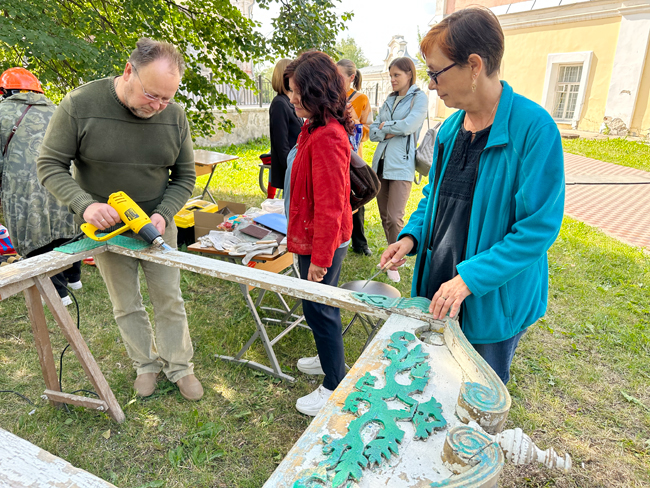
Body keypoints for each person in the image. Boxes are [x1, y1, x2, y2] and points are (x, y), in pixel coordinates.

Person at [380, 7, 565, 385]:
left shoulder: (535, 130)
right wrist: (411, 236)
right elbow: (434, 195)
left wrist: (470, 279)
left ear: (474, 65)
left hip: (490, 299)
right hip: (440, 285)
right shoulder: (449, 129)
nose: (430, 84)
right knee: (432, 388)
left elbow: (537, 229)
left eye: (435, 72)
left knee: (476, 402)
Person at [37, 38, 202, 401]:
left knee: (168, 297)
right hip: (108, 229)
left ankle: (180, 366)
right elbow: (49, 164)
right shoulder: (80, 105)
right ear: (129, 71)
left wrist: (164, 213)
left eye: (167, 98)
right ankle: (146, 365)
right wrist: (85, 204)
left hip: (156, 225)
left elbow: (186, 176)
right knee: (125, 302)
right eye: (152, 95)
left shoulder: (174, 117)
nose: (158, 107)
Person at [282, 51, 353, 416]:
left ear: (316, 90)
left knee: (321, 308)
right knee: (315, 308)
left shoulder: (328, 136)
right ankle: (329, 361)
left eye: (297, 91)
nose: (291, 97)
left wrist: (320, 261)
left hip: (322, 241)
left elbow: (329, 204)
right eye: (290, 90)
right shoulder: (312, 126)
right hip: (313, 237)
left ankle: (334, 385)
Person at [0, 68, 81, 306]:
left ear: (6, 91)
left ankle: (58, 294)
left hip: (23, 188)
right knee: (67, 229)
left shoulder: (2, 112)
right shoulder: (59, 110)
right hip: (64, 182)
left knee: (36, 235)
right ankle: (74, 277)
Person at [369, 57, 427, 282]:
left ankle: (396, 261)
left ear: (409, 74)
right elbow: (373, 131)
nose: (392, 80)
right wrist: (388, 129)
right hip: (381, 163)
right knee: (385, 216)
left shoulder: (418, 98)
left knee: (395, 217)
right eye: (391, 75)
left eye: (397, 75)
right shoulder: (389, 100)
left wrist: (386, 127)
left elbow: (410, 125)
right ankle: (391, 256)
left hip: (402, 164)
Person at [337, 59, 374, 257]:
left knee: (356, 199)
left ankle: (359, 242)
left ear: (351, 78)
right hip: (334, 155)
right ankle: (338, 238)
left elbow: (369, 130)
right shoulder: (331, 96)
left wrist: (355, 121)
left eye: (340, 76)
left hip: (353, 157)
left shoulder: (362, 99)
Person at [269, 58, 302, 192]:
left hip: (294, 168)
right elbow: (281, 144)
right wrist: (292, 170)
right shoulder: (279, 104)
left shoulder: (290, 102)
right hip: (289, 171)